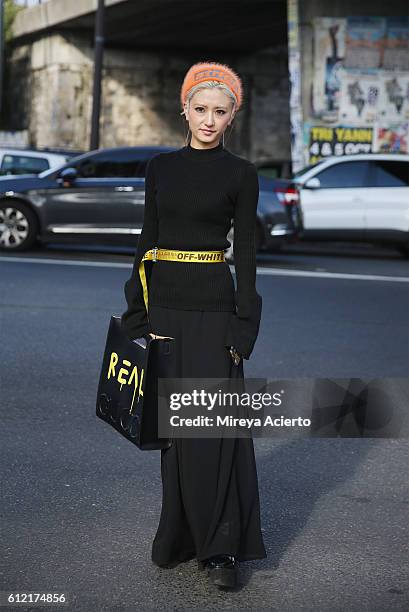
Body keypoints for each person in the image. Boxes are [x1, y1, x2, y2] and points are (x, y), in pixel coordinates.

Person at [121, 61, 266, 589]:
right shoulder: (160, 167)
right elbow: (147, 237)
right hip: (165, 311)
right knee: (174, 436)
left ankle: (222, 549)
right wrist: (137, 308)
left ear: (232, 117)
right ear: (184, 109)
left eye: (219, 112)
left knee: (213, 429)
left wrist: (244, 322)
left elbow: (246, 252)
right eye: (200, 109)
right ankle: (178, 537)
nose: (208, 120)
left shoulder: (241, 173)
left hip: (213, 308)